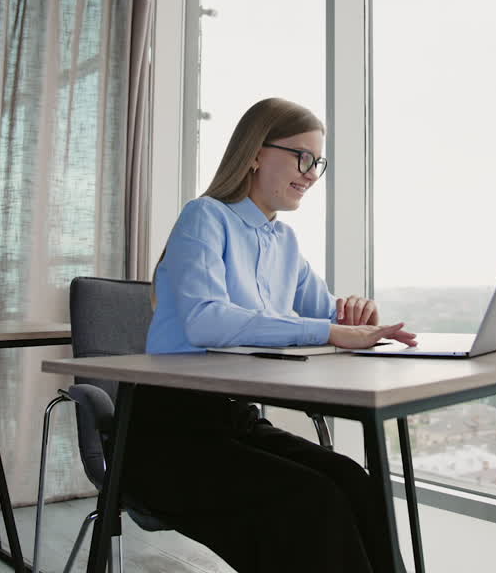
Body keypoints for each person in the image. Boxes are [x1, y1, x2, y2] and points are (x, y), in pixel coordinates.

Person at [124, 98, 416, 573]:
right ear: (256, 152)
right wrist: (331, 330)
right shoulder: (206, 216)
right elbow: (206, 321)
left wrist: (358, 315)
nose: (311, 172)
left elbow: (326, 316)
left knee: (353, 480)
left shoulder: (285, 242)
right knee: (311, 499)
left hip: (236, 421)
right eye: (302, 157)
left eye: (318, 161)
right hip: (170, 433)